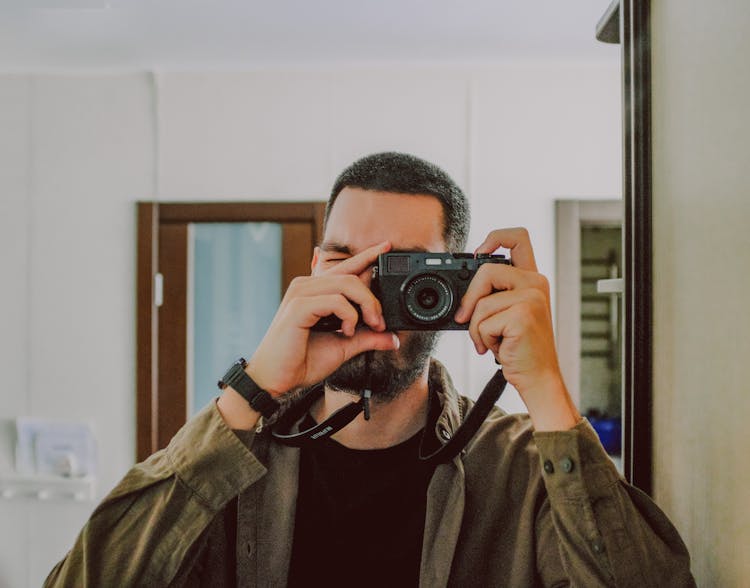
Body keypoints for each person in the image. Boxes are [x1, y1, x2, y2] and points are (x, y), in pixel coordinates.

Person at [46, 152, 694, 587]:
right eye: (349, 260)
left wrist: (547, 391)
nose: (375, 294)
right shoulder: (234, 458)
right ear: (314, 269)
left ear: (461, 285)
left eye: (409, 270)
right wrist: (253, 391)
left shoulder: (521, 469)